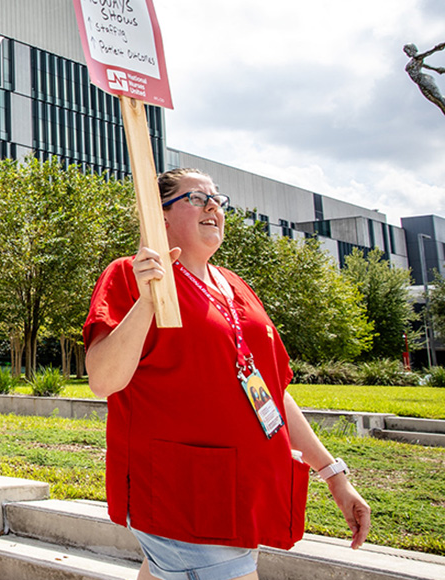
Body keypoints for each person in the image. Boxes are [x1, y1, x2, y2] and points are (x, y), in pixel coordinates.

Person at [84, 168, 372, 580]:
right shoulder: (130, 274)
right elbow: (103, 380)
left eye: (217, 199)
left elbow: (268, 391)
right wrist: (148, 301)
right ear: (159, 215)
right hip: (186, 497)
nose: (213, 207)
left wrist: (334, 475)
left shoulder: (235, 285)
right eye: (196, 198)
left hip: (238, 495)